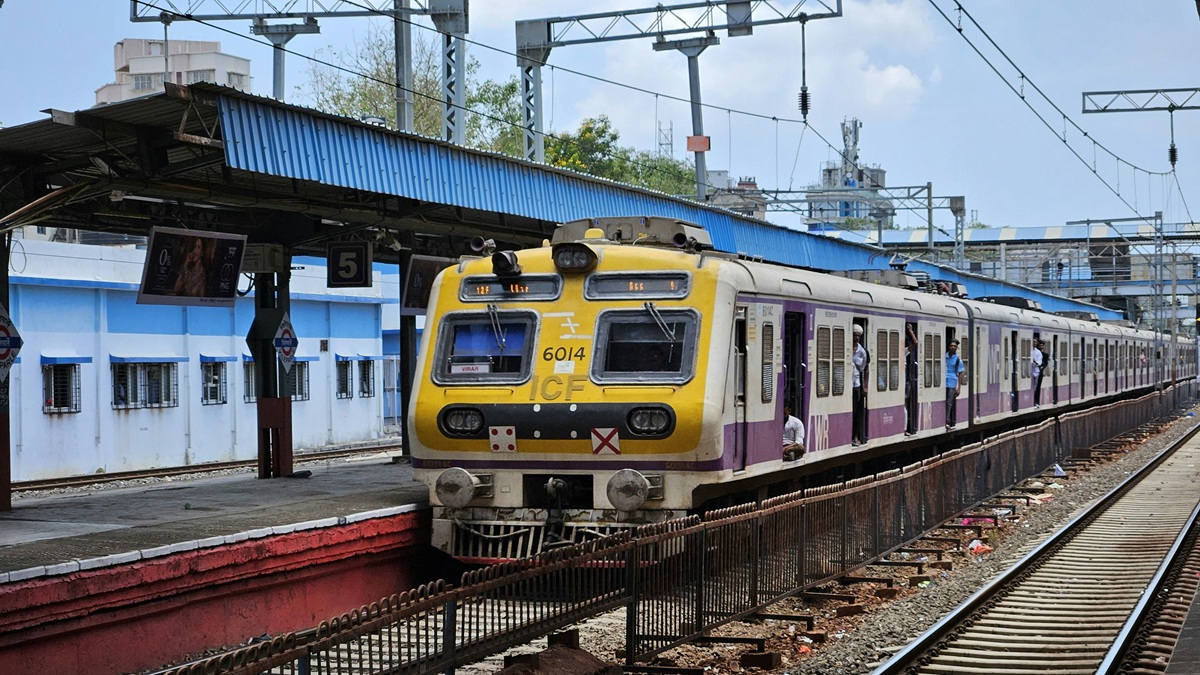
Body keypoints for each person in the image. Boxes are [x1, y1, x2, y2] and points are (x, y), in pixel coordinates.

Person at [851, 324, 869, 446]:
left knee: (856, 411)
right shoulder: (844, 347)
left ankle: (854, 435)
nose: (856, 338)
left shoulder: (862, 352)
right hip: (842, 384)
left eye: (858, 336)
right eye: (854, 335)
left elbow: (865, 369)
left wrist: (865, 386)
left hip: (856, 384)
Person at [945, 339, 965, 429]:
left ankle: (948, 418)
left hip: (952, 382)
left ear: (957, 348)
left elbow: (961, 373)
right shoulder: (944, 357)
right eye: (951, 346)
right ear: (949, 347)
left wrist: (959, 387)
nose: (953, 347)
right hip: (944, 381)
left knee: (949, 401)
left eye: (954, 346)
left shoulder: (958, 360)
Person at [904, 323, 919, 436]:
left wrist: (910, 331)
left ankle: (904, 429)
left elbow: (915, 342)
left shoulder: (903, 352)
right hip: (899, 381)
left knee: (904, 404)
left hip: (905, 380)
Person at [1031, 339, 1044, 407]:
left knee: (1035, 387)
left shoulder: (1038, 352)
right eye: (1033, 342)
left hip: (1035, 372)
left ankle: (1035, 401)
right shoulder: (1029, 351)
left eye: (1035, 342)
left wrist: (1034, 361)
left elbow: (1039, 363)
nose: (1034, 343)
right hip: (1030, 371)